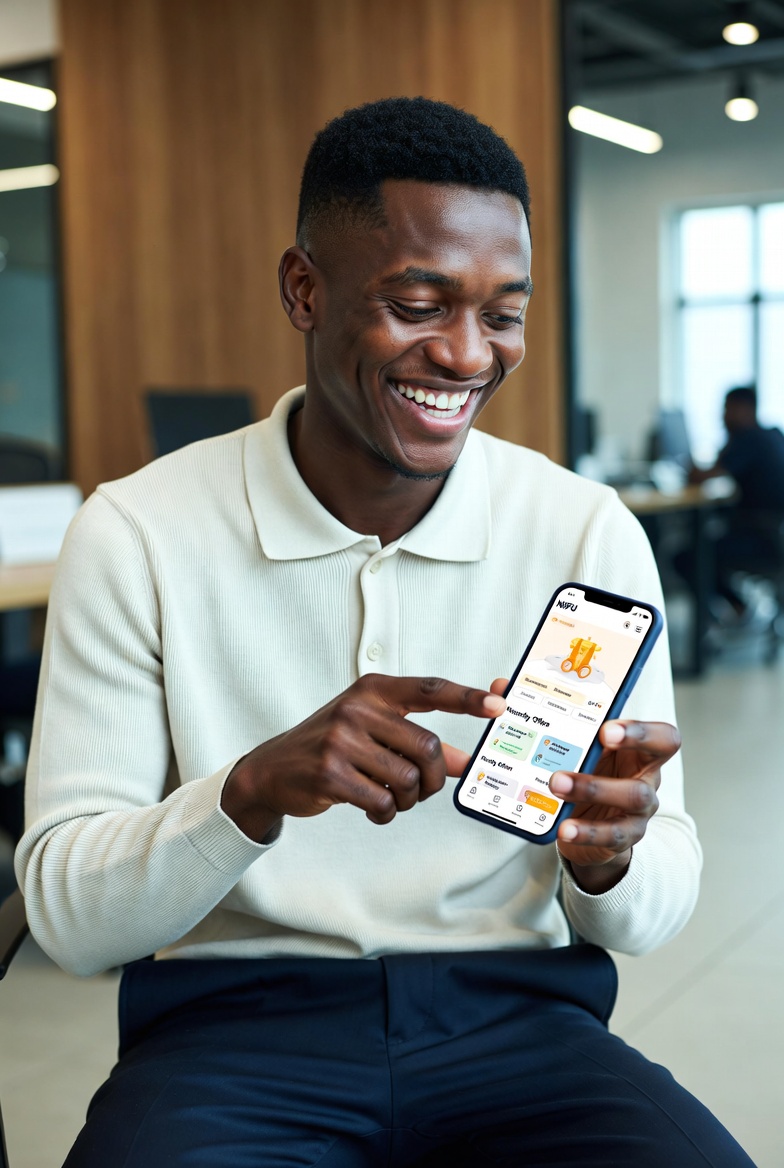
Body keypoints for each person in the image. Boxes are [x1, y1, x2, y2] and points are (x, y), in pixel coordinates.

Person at [16, 97, 752, 1166]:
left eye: (502, 314)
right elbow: (71, 919)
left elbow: (649, 905)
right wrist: (250, 789)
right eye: (418, 303)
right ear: (303, 290)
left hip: (518, 1023)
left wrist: (607, 856)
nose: (463, 354)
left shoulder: (582, 529)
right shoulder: (136, 532)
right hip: (232, 1031)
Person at [689, 385, 784, 617]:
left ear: (745, 409)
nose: (723, 416)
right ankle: (738, 607)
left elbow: (700, 476)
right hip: (774, 536)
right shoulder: (772, 434)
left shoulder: (748, 439)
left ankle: (733, 609)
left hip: (761, 539)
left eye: (728, 408)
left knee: (690, 556)